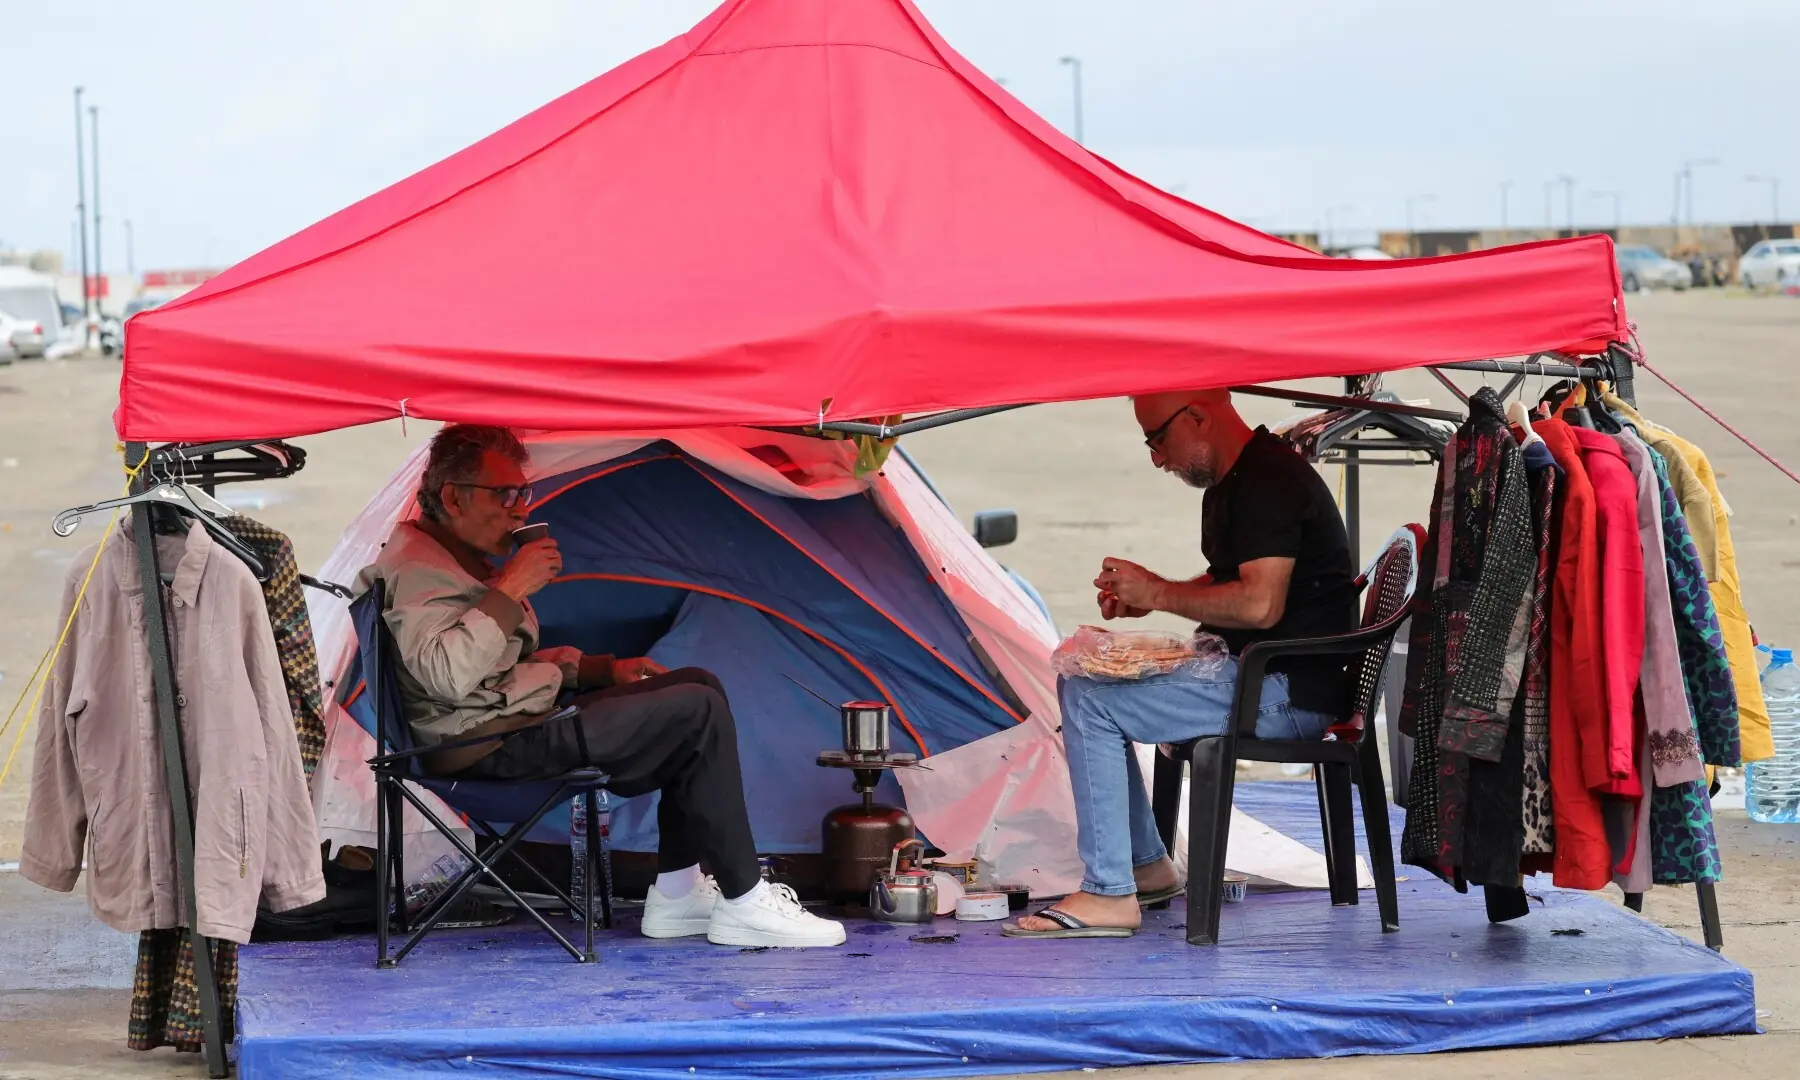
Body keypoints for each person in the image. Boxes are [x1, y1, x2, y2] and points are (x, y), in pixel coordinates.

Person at [357, 424, 845, 948]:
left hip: (502, 726)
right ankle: (746, 899)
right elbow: (446, 676)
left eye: (524, 493)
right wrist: (512, 586)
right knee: (695, 711)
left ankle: (678, 896)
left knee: (696, 686)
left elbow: (492, 670)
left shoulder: (447, 560)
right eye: (506, 495)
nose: (521, 510)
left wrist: (598, 671)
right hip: (481, 748)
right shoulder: (417, 570)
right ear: (453, 496)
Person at [1006, 390, 1356, 939]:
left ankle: (1109, 891)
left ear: (1197, 415)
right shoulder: (1237, 480)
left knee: (1090, 699)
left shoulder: (1270, 481)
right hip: (1266, 675)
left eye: (1158, 439)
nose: (1156, 457)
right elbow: (1228, 582)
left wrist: (1162, 593)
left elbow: (1260, 605)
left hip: (1285, 690)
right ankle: (1144, 867)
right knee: (1087, 679)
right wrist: (1151, 596)